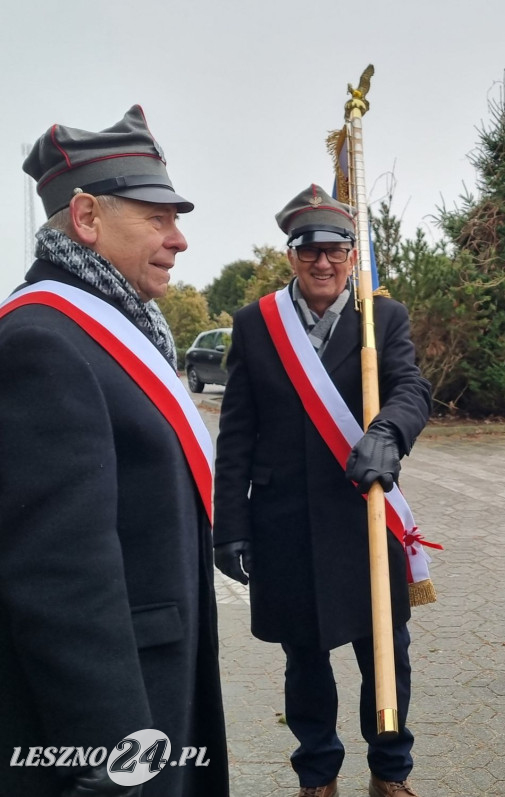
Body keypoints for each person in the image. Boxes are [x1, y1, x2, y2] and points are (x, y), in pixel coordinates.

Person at [0, 107, 228, 796]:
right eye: (157, 216)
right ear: (88, 217)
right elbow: (63, 585)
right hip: (120, 724)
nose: (179, 238)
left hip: (157, 679)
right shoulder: (44, 342)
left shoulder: (118, 331)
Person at [213, 185, 431, 797]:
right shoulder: (257, 324)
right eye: (311, 253)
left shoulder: (381, 316)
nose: (325, 264)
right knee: (304, 660)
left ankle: (390, 770)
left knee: (385, 652)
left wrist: (389, 431)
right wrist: (228, 524)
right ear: (292, 257)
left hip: (362, 514)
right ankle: (317, 773)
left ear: (351, 256)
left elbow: (412, 388)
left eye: (337, 252)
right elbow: (236, 434)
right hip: (285, 523)